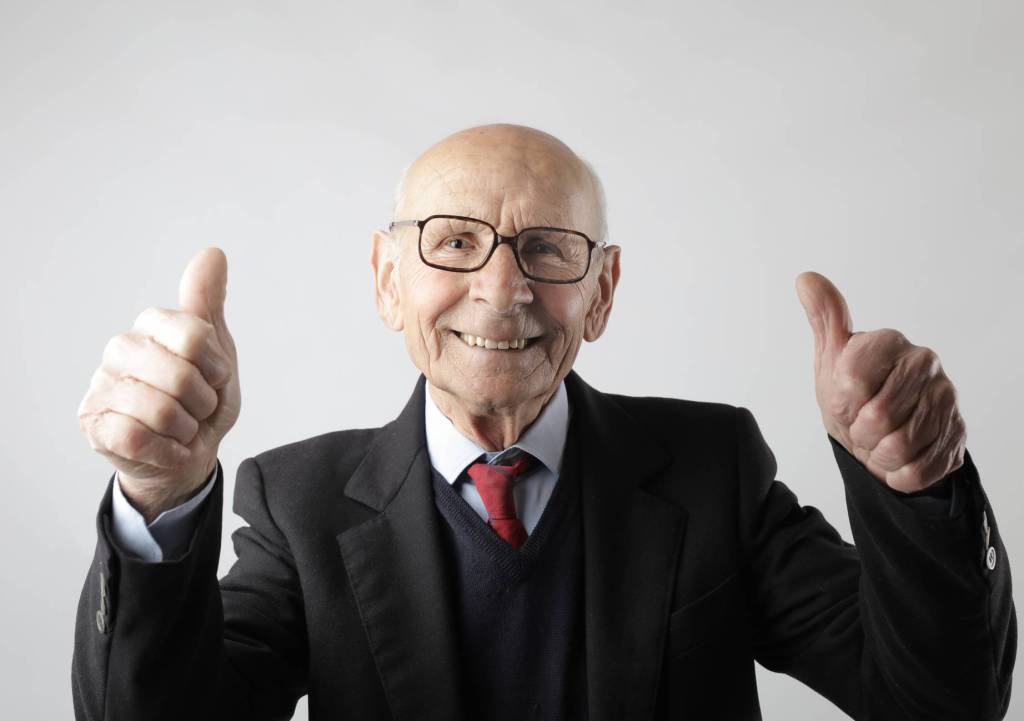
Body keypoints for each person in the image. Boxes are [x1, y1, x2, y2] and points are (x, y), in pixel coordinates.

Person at [72, 124, 1015, 720]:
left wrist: (920, 483)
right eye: (454, 241)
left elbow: (939, 702)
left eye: (548, 249)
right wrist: (158, 494)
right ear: (388, 281)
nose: (502, 288)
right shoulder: (300, 501)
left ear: (602, 292)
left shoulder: (711, 468)